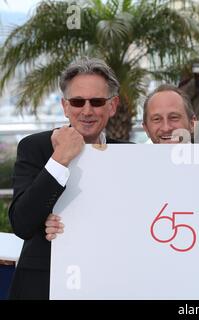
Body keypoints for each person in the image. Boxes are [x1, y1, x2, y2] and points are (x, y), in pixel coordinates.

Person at [8, 57, 128, 299]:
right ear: (65, 106)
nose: (86, 110)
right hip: (44, 284)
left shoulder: (128, 155)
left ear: (112, 106)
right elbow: (21, 222)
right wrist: (60, 158)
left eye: (96, 101)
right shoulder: (34, 147)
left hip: (111, 280)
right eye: (77, 101)